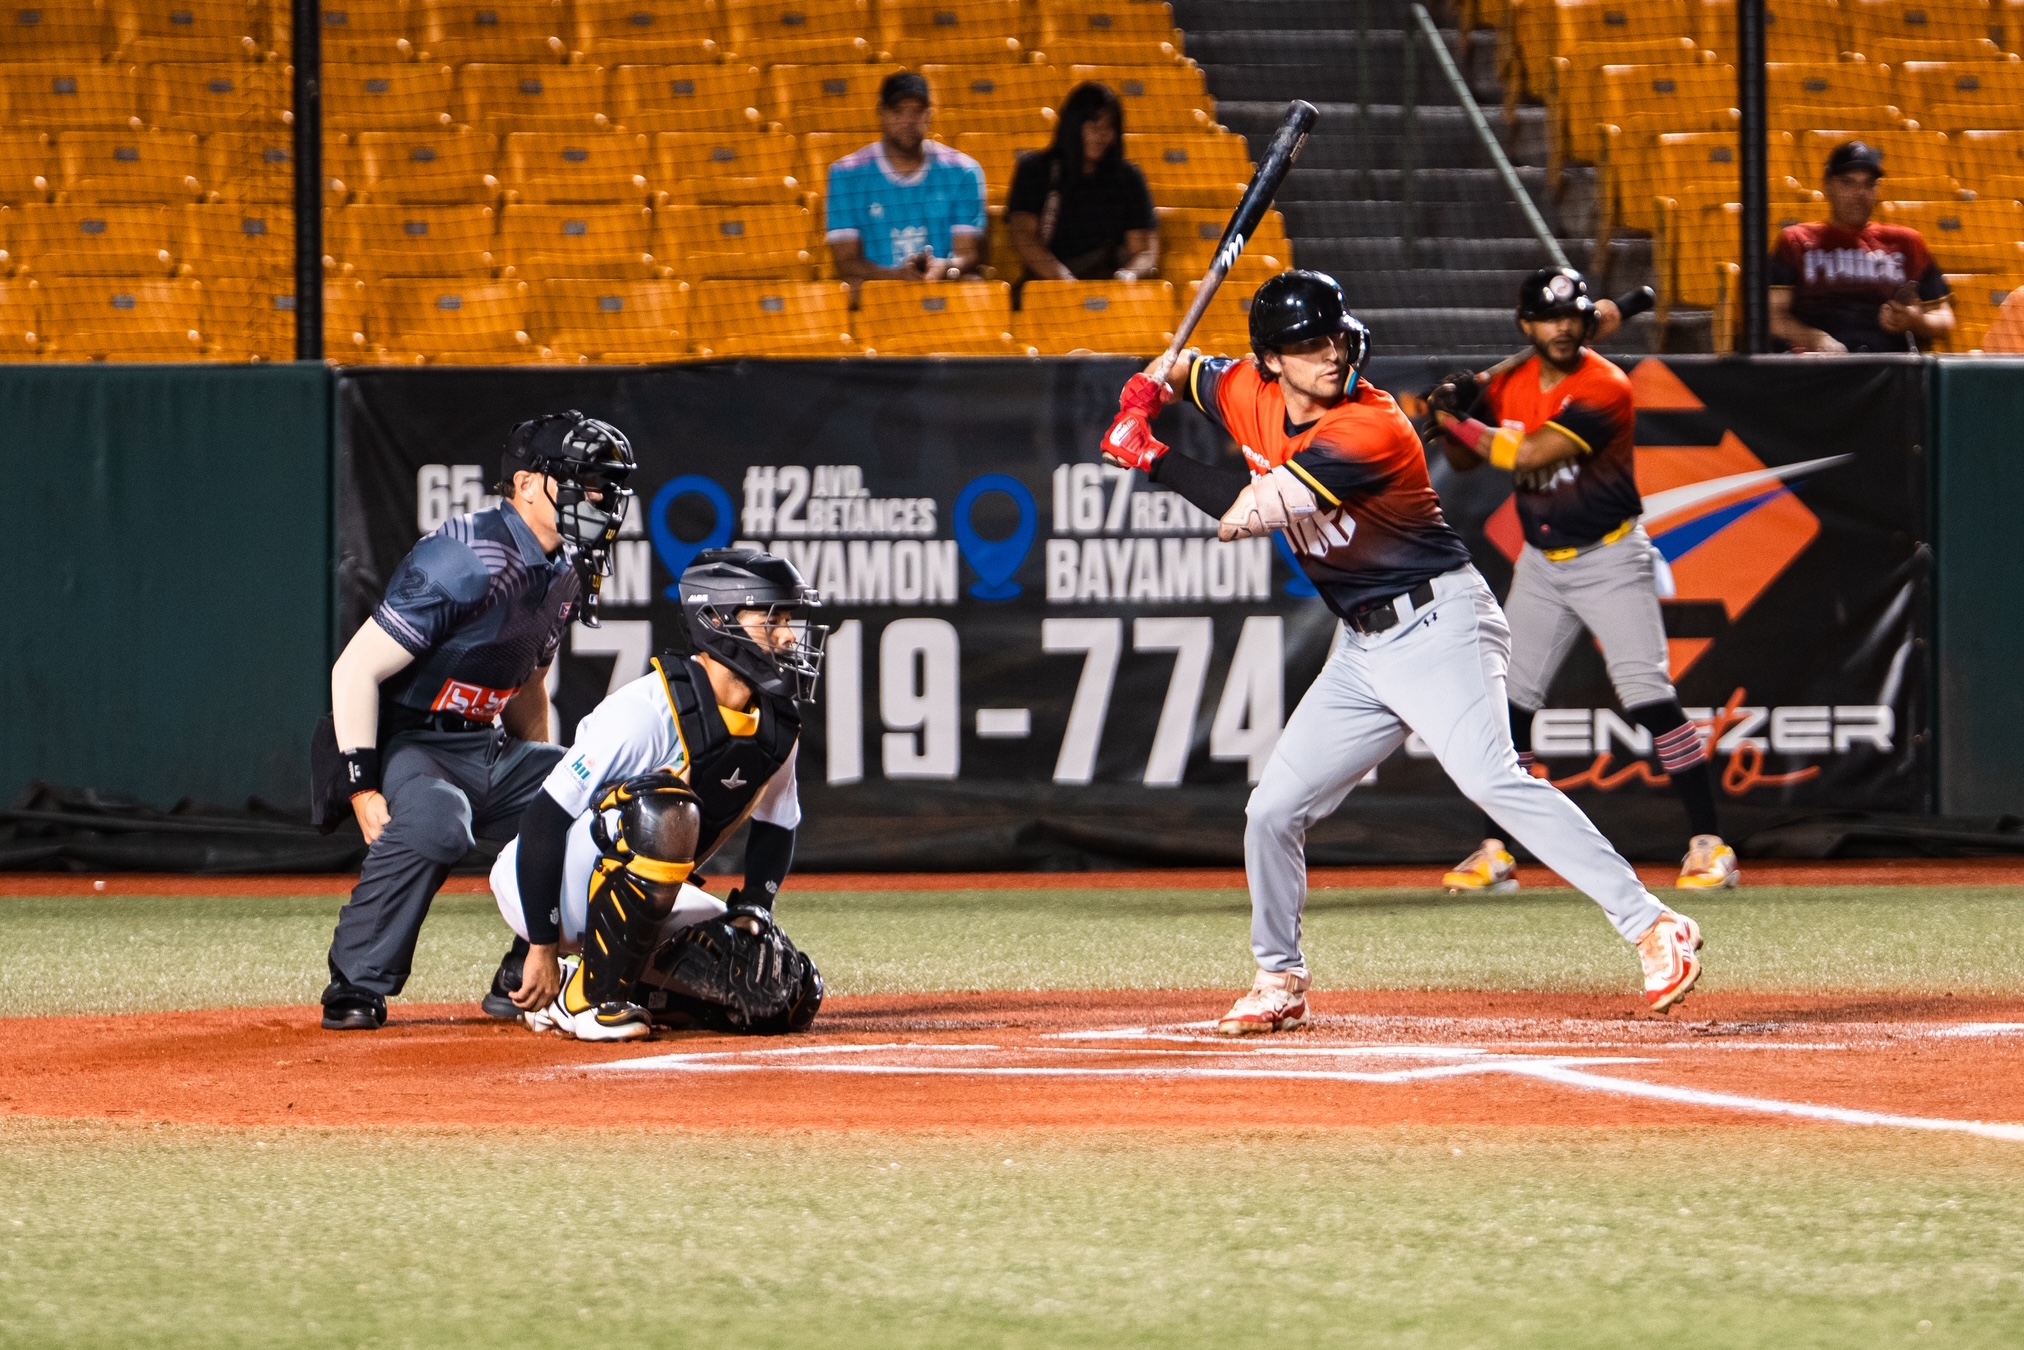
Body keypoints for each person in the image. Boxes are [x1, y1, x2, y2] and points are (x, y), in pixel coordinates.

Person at [1099, 270, 1705, 1034]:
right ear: (1272, 362)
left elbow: (1244, 515)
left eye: (1335, 337)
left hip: (1439, 623)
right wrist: (1154, 381)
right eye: (1308, 345)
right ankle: (1280, 978)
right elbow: (1192, 370)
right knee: (1272, 810)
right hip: (1361, 648)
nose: (1331, 354)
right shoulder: (1246, 388)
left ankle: (1654, 925)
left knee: (1494, 779)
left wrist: (1147, 455)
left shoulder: (1369, 427)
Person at [317, 411, 635, 1031]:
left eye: (604, 486)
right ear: (524, 485)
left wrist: (549, 795)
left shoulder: (566, 562)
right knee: (440, 821)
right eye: (581, 481)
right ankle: (355, 981)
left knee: (613, 800)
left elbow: (527, 680)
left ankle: (525, 971)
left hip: (487, 745)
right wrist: (361, 785)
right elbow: (354, 671)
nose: (596, 500)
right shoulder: (466, 555)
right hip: (411, 743)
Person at [1426, 268, 1739, 895]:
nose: (1563, 327)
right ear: (1527, 325)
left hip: (1611, 558)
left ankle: (1711, 845)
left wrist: (1450, 419)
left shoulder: (1605, 386)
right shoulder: (1510, 382)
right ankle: (1497, 852)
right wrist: (1456, 410)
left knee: (1648, 696)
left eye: (1572, 315)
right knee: (1510, 705)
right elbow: (1464, 459)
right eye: (1549, 317)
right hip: (1543, 565)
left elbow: (1528, 455)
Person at [483, 548, 827, 1041]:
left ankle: (597, 984)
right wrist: (540, 943)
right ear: (717, 619)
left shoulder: (775, 725)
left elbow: (778, 822)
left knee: (778, 993)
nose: (790, 636)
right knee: (665, 810)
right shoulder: (647, 710)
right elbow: (544, 818)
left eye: (790, 619)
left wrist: (755, 905)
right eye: (772, 618)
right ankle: (585, 999)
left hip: (647, 893)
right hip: (544, 884)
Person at [1769, 139, 1954, 353]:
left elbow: (1945, 317)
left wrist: (1915, 321)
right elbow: (1772, 317)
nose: (1859, 194)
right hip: (1819, 367)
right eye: (1848, 183)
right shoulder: (1796, 241)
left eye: (1869, 184)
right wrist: (1816, 339)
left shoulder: (1907, 242)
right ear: (1828, 186)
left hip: (1889, 366)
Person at [825, 71, 987, 288]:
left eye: (917, 112)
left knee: (973, 283)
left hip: (942, 288)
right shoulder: (847, 174)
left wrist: (945, 268)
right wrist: (898, 276)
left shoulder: (963, 171)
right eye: (898, 111)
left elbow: (967, 252)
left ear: (929, 116)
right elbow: (846, 262)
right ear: (881, 113)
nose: (908, 121)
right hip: (878, 291)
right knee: (850, 286)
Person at [1007, 81, 1159, 286]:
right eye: (1093, 124)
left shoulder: (1128, 179)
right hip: (1049, 287)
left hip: (1110, 291)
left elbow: (1144, 251)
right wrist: (1063, 280)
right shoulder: (1035, 170)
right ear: (1074, 124)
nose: (1102, 134)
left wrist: (1125, 278)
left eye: (1109, 126)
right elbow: (1022, 235)